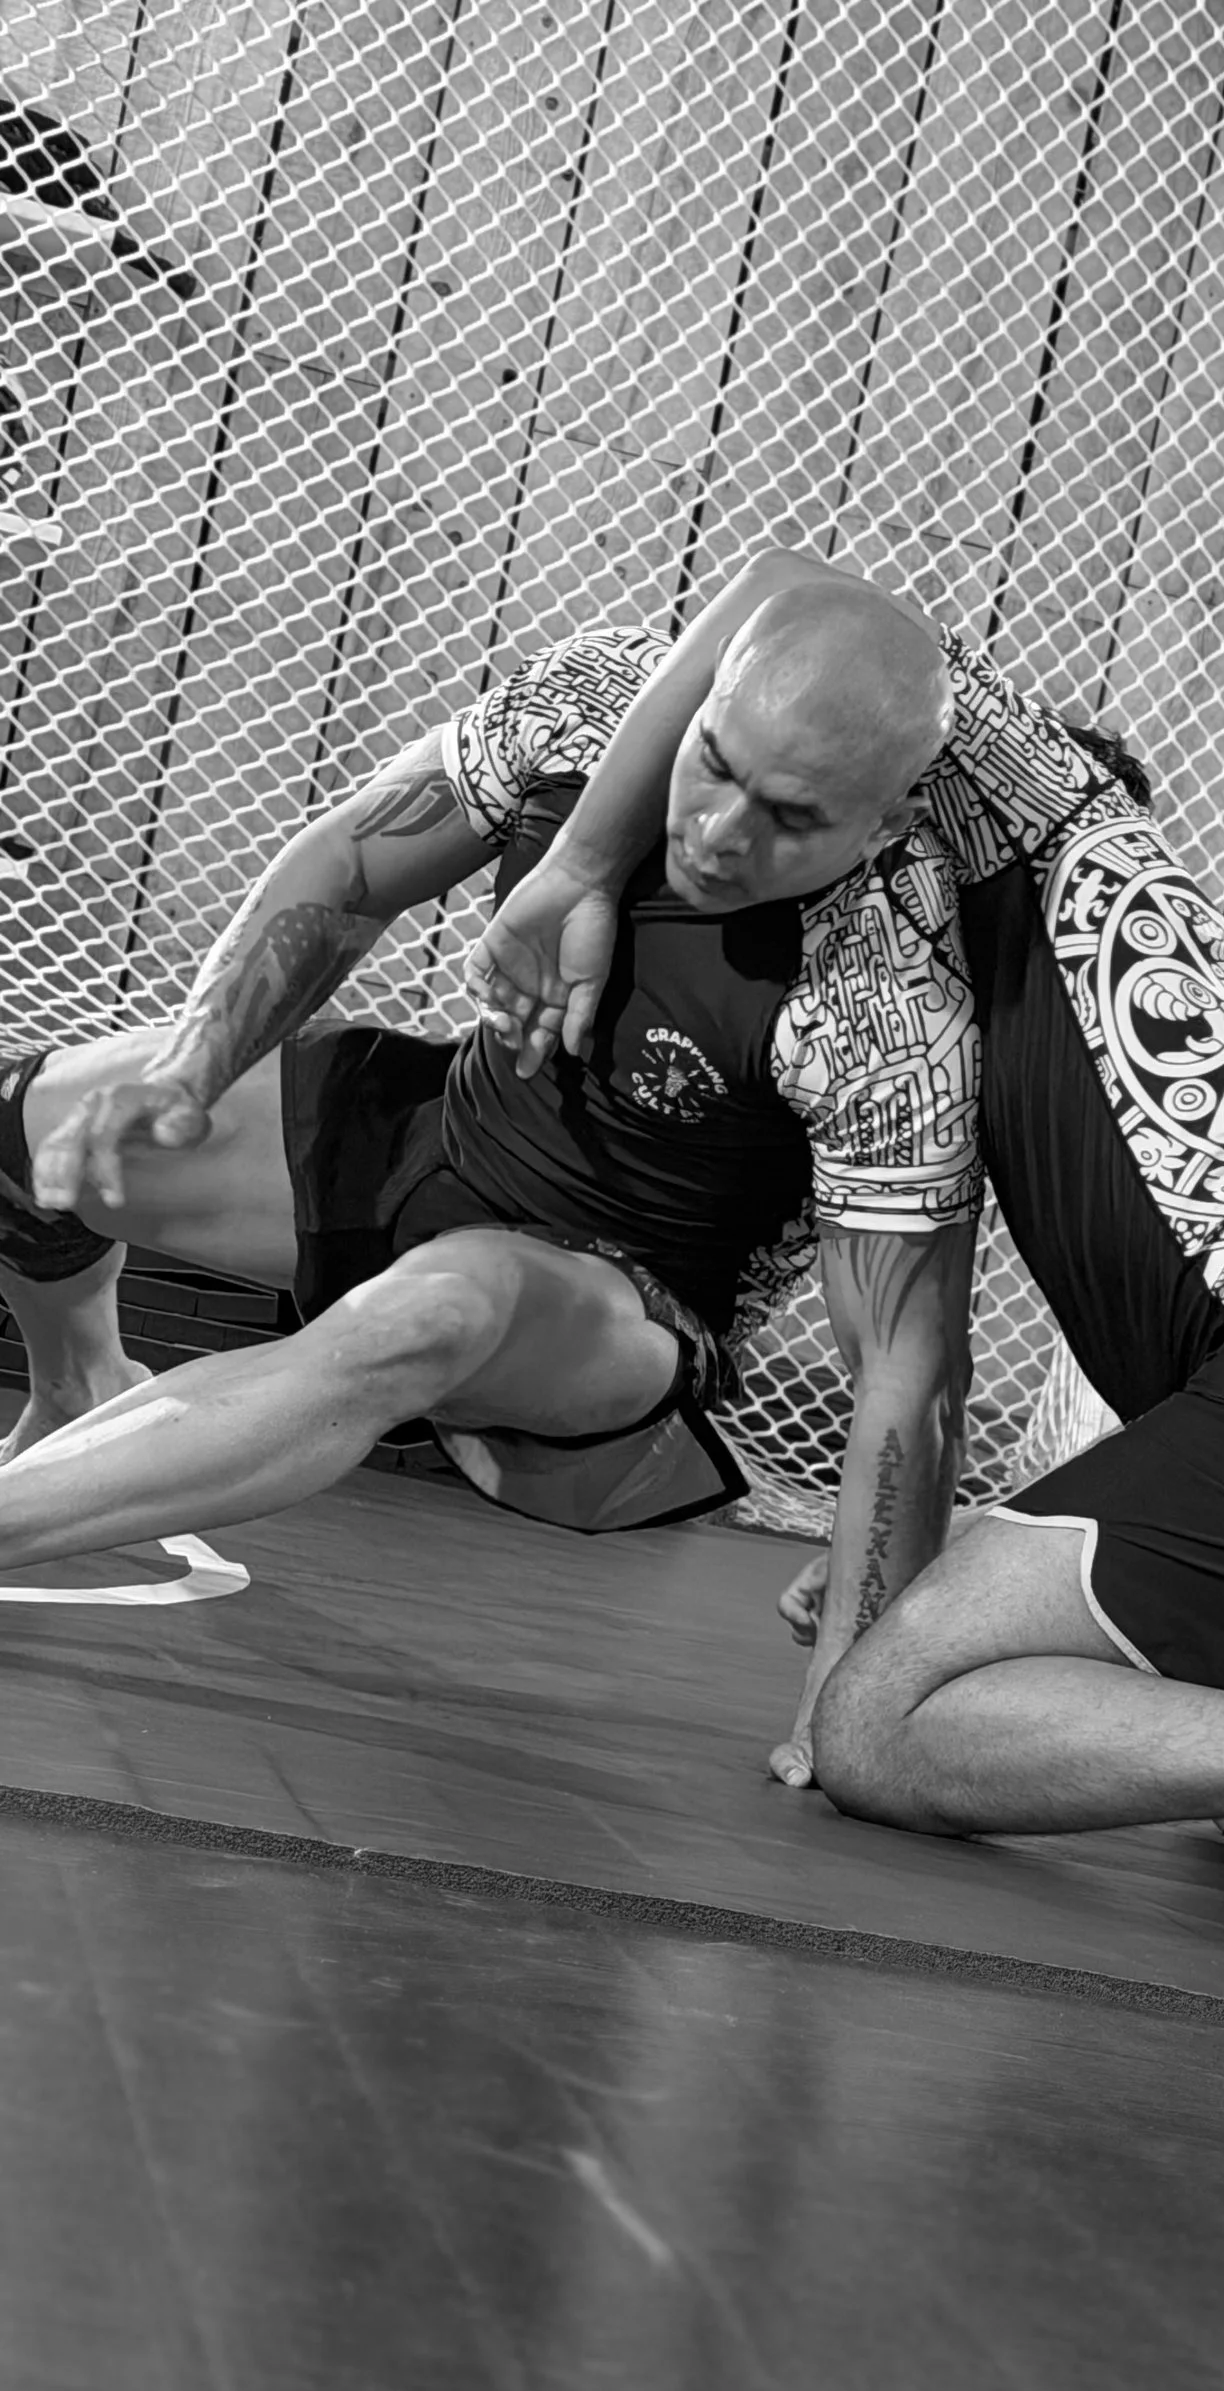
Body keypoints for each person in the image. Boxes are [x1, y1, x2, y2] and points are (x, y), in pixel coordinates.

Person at [468, 553, 1224, 1967]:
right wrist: (937, 1574)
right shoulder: (1118, 1008)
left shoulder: (1020, 814)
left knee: (882, 1733)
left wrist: (576, 867)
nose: (748, 839)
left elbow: (792, 585)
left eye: (801, 817)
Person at [0, 563, 975, 1621]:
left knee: (432, 1310)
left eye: (790, 818)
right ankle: (77, 1391)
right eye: (714, 767)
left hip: (611, 1311)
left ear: (883, 826)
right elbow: (354, 867)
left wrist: (869, 1626)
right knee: (24, 1130)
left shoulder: (894, 994)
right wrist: (197, 1067)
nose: (720, 833)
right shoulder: (592, 703)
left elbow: (903, 1369)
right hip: (438, 1137)